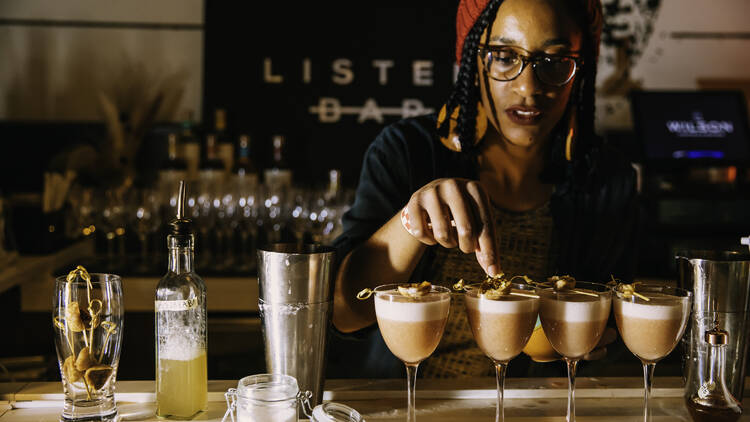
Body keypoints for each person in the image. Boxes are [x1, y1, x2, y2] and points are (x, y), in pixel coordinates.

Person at [328, 0, 638, 379]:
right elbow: (344, 314)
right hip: (407, 404)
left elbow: (619, 314)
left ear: (580, 70)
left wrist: (605, 337)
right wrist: (414, 220)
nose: (529, 87)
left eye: (555, 62)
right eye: (505, 57)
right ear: (474, 60)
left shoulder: (606, 176)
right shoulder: (407, 152)